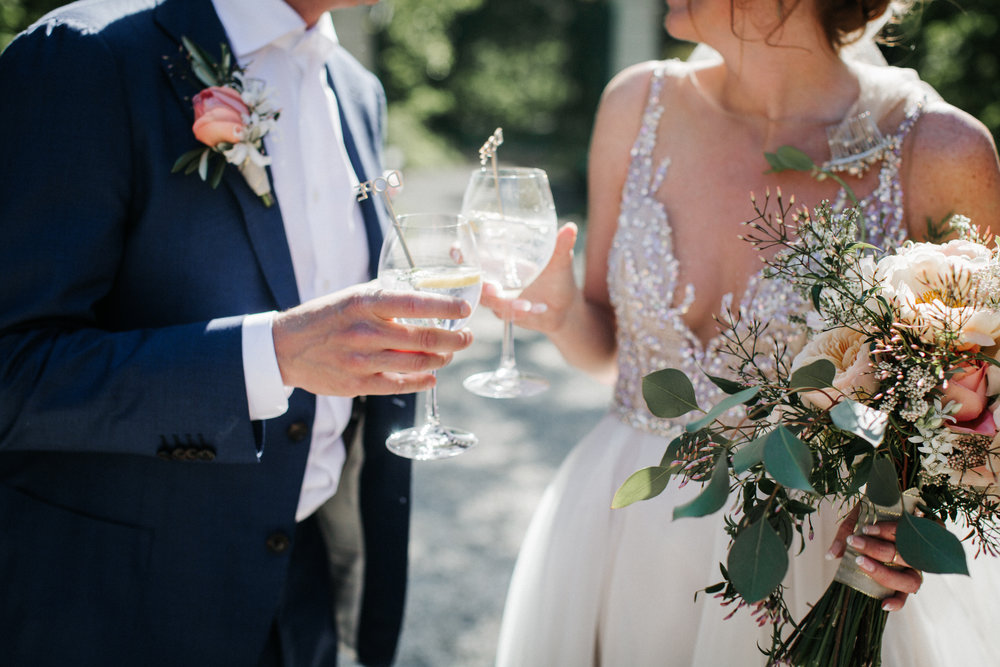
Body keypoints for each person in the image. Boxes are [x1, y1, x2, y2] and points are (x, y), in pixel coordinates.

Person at [489, 0, 1000, 665]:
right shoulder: (634, 105)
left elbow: (979, 404)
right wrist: (558, 313)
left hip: (811, 565)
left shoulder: (938, 149)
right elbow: (610, 351)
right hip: (618, 530)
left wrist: (909, 520)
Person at [0, 0, 474, 665]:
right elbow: (14, 370)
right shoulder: (86, 56)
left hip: (299, 602)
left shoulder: (357, 91)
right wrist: (271, 355)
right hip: (125, 609)